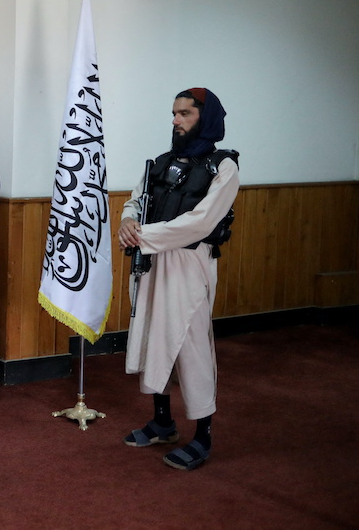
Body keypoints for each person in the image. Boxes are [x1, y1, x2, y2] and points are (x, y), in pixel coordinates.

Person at [118, 87, 239, 471]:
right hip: (152, 261)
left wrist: (145, 236)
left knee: (190, 347)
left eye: (185, 113)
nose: (176, 121)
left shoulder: (224, 167)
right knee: (155, 337)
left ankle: (202, 435)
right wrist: (127, 221)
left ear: (205, 118)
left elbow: (201, 222)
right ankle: (163, 422)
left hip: (187, 266)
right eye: (174, 113)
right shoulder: (162, 161)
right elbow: (135, 201)